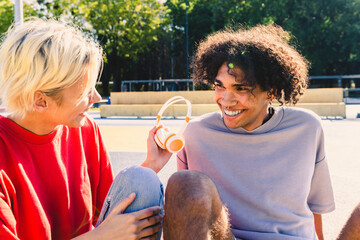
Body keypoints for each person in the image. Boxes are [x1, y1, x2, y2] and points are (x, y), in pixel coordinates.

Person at [0, 18, 170, 239]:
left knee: (143, 179)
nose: (97, 98)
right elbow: (105, 232)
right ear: (40, 101)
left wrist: (151, 165)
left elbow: (110, 210)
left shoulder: (85, 129)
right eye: (84, 93)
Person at [160, 25, 335, 239]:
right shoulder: (195, 133)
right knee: (184, 183)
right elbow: (187, 210)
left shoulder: (307, 127)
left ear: (270, 91)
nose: (225, 100)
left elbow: (314, 205)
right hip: (227, 236)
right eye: (220, 86)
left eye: (240, 88)